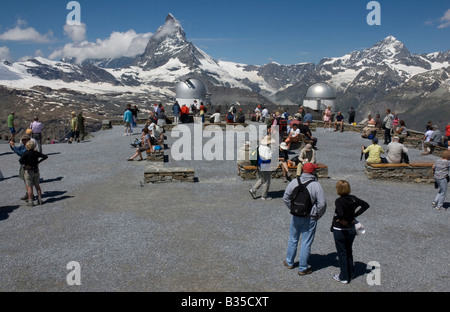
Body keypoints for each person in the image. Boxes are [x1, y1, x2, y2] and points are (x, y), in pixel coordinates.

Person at [283, 163, 327, 275]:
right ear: (312, 172)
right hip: (310, 217)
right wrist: (317, 215)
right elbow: (322, 204)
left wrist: (292, 208)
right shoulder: (316, 185)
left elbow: (286, 198)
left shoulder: (294, 182)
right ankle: (303, 268)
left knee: (293, 239)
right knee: (306, 242)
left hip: (296, 215)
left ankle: (289, 262)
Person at [331, 180, 370, 284]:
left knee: (342, 253)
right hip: (351, 229)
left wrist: (342, 219)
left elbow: (340, 213)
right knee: (349, 251)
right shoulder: (353, 198)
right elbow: (366, 205)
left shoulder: (339, 201)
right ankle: (350, 273)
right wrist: (354, 216)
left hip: (340, 230)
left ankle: (343, 277)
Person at [19, 141, 48, 206]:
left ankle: (31, 201)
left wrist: (26, 164)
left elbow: (20, 160)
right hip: (36, 170)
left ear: (27, 146)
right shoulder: (36, 153)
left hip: (29, 171)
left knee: (29, 187)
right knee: (37, 186)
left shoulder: (26, 153)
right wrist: (38, 162)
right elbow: (45, 156)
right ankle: (40, 200)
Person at [249, 136, 275, 201]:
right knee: (267, 181)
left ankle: (253, 190)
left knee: (262, 179)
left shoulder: (260, 146)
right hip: (265, 166)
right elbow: (268, 159)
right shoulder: (267, 149)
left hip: (259, 165)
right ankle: (264, 196)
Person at [10, 135, 34, 201]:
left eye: (24, 140)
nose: (23, 141)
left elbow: (20, 153)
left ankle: (30, 196)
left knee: (27, 181)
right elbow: (17, 149)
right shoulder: (24, 146)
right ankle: (29, 194)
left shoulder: (28, 147)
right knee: (25, 181)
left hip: (26, 166)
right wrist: (12, 145)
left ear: (28, 140)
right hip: (24, 165)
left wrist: (13, 146)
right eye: (22, 140)